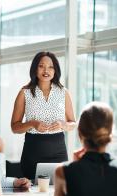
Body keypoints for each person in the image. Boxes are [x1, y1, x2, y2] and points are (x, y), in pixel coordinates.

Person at [11, 51, 76, 180]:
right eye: (41, 66)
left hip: (59, 150)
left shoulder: (64, 92)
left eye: (51, 67)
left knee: (60, 189)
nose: (46, 70)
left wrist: (63, 125)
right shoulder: (25, 93)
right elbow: (14, 127)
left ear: (55, 70)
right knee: (31, 191)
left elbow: (73, 123)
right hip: (33, 151)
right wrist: (32, 123)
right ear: (35, 68)